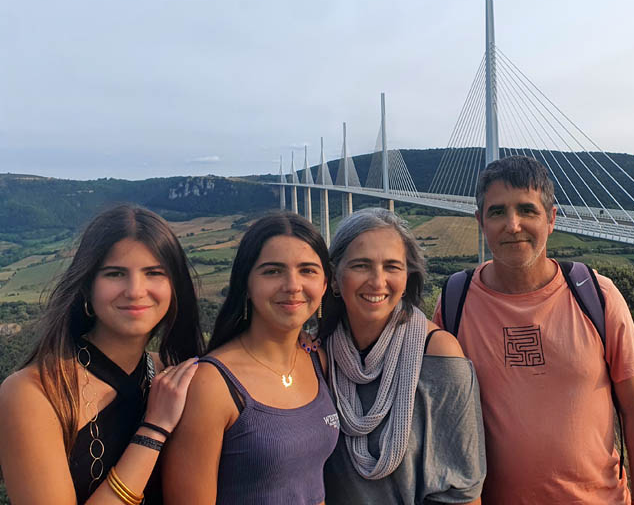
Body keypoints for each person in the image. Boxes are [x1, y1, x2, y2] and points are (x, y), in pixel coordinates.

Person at [433, 156, 634, 505]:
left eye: (527, 210)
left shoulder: (597, 295)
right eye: (497, 212)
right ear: (480, 222)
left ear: (551, 219)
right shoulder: (454, 302)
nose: (513, 225)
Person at [0, 204, 205, 505]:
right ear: (87, 287)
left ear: (175, 288)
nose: (135, 291)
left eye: (154, 273)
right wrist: (154, 429)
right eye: (115, 274)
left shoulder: (174, 374)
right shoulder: (36, 393)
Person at [162, 212, 340, 504]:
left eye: (307, 270)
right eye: (273, 271)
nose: (292, 285)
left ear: (324, 285)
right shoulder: (211, 385)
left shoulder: (316, 360)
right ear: (246, 284)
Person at [321, 208, 486, 505]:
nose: (377, 281)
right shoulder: (317, 356)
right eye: (361, 265)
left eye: (392, 267)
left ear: (408, 277)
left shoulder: (437, 355)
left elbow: (463, 491)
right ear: (334, 278)